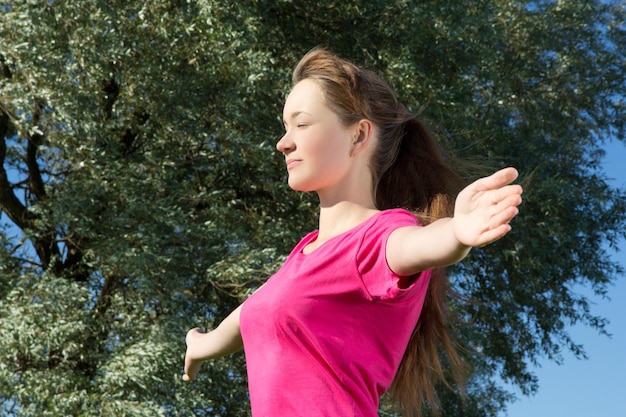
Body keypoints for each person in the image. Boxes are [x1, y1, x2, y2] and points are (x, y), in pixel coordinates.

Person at [182, 48, 523, 417]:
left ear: (359, 136)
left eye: (302, 124)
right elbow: (256, 309)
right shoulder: (305, 255)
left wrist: (456, 234)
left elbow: (418, 245)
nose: (284, 142)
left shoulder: (378, 238)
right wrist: (203, 344)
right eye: (285, 127)